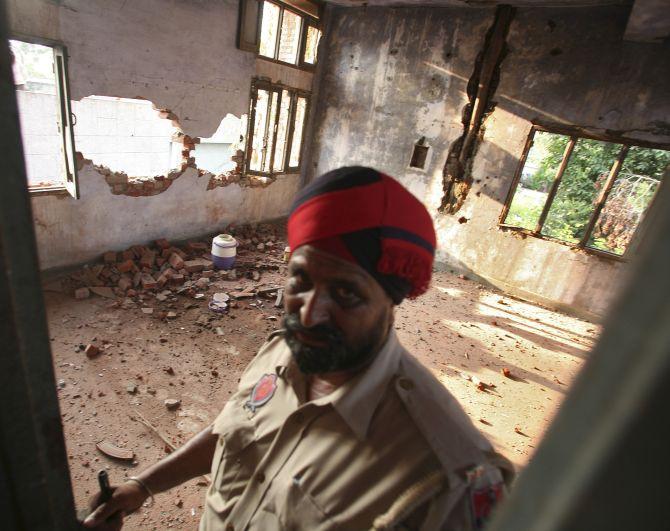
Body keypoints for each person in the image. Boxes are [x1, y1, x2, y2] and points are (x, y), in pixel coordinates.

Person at [84, 167, 513, 531]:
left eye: (345, 293)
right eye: (301, 281)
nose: (308, 315)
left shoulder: (444, 475)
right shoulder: (280, 353)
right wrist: (142, 486)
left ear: (391, 301)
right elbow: (229, 434)